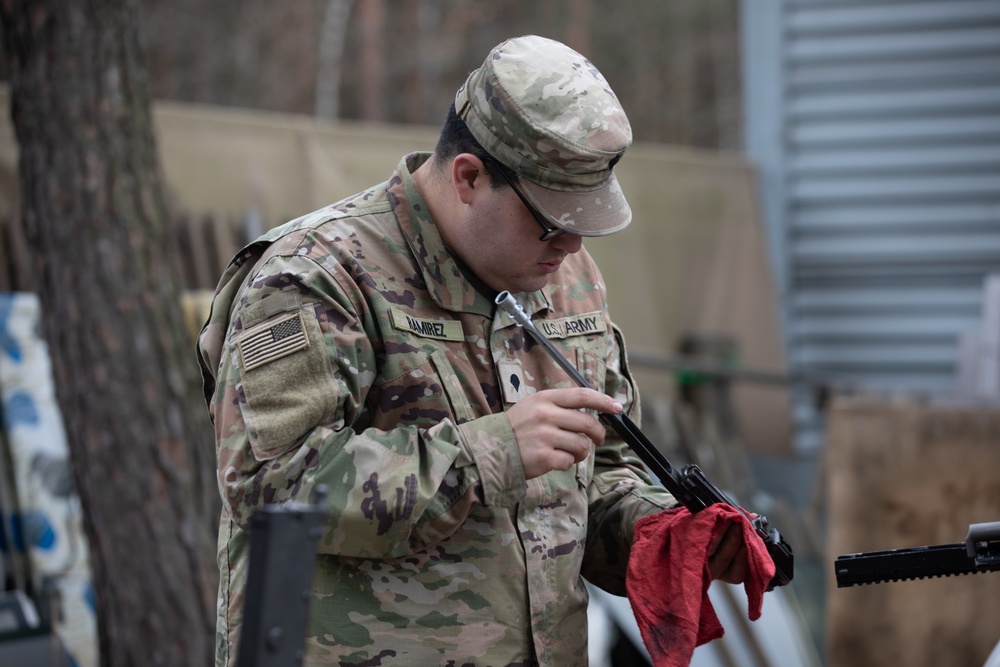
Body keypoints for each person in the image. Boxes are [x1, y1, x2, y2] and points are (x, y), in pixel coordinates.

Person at [197, 34, 749, 667]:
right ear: (468, 177)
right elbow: (274, 490)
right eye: (552, 220)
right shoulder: (315, 277)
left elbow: (598, 472)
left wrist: (663, 535)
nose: (571, 245)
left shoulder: (565, 278)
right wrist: (494, 453)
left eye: (585, 222)